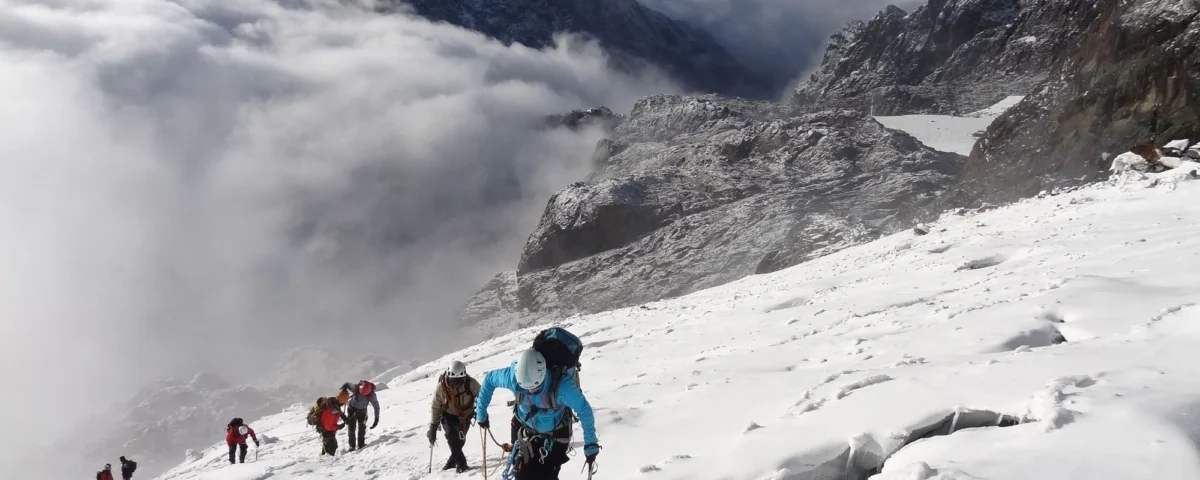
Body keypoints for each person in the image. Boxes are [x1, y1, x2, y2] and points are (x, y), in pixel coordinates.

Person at [476, 349, 600, 480]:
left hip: (555, 436)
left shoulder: (562, 386)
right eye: (525, 388)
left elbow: (584, 411)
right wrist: (481, 414)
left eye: (535, 387)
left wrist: (590, 443)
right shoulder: (512, 378)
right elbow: (489, 379)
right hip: (525, 431)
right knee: (523, 475)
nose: (530, 391)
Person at [428, 360, 482, 472]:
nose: (456, 384)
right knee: (452, 439)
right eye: (453, 381)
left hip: (465, 417)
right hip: (448, 416)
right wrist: (433, 426)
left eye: (459, 381)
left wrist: (482, 413)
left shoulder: (471, 384)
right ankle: (461, 464)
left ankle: (452, 461)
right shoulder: (442, 387)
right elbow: (435, 406)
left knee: (460, 442)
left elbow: (482, 396)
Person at [338, 380, 380, 451]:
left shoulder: (372, 395)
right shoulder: (356, 387)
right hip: (352, 409)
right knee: (352, 428)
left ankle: (360, 444)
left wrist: (376, 419)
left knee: (361, 427)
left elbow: (376, 406)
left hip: (361, 411)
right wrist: (344, 389)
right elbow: (346, 384)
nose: (362, 395)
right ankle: (352, 446)